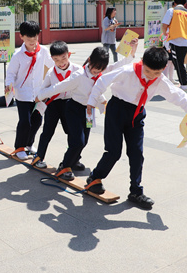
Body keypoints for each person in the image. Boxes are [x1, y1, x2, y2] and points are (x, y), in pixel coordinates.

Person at [85, 46, 187, 210]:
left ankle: (136, 191)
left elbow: (179, 96)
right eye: (148, 71)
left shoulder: (160, 79)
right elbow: (102, 80)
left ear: (163, 69)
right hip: (117, 111)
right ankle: (95, 177)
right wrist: (92, 102)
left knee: (137, 154)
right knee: (113, 152)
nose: (151, 76)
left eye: (156, 73)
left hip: (137, 114)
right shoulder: (128, 71)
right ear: (142, 63)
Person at [35, 40, 138, 180]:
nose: (97, 71)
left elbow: (118, 66)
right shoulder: (78, 75)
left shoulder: (102, 71)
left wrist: (132, 53)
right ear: (89, 60)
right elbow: (58, 87)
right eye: (95, 67)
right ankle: (64, 166)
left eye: (101, 69)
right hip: (74, 109)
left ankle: (74, 160)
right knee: (77, 141)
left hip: (89, 112)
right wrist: (40, 96)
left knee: (85, 140)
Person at [5, 21, 54, 160]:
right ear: (21, 37)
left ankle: (29, 144)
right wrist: (8, 85)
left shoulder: (43, 51)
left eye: (35, 39)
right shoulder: (17, 55)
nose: (32, 42)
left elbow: (52, 66)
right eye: (28, 39)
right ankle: (19, 147)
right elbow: (11, 74)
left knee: (37, 121)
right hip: (23, 94)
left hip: (39, 94)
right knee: (25, 122)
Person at [31, 41, 81, 169]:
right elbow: (42, 91)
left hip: (70, 104)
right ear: (52, 59)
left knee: (72, 132)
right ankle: (39, 157)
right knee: (48, 131)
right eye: (56, 59)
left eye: (63, 58)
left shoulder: (77, 70)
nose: (61, 62)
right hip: (53, 104)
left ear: (69, 54)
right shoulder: (51, 73)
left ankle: (73, 159)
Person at [161, 0, 187, 95]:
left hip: (175, 41)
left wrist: (165, 35)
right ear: (185, 4)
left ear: (175, 3)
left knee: (178, 63)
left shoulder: (172, 11)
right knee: (178, 62)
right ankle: (186, 81)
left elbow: (164, 25)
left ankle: (184, 86)